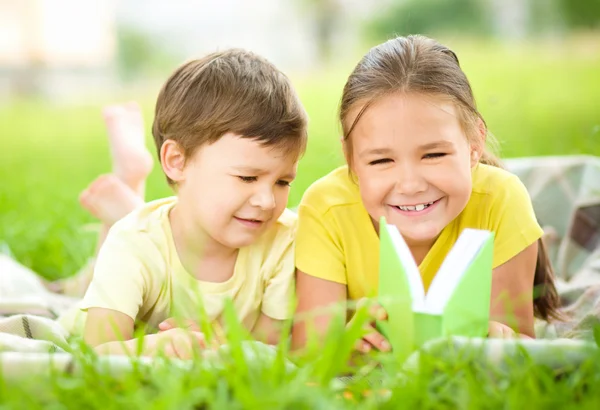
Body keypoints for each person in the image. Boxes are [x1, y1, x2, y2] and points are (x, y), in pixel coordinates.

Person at [291, 35, 561, 353]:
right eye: (381, 160)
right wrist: (345, 351)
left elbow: (519, 344)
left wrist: (494, 342)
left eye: (433, 155)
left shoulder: (500, 199)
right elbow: (308, 354)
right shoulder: (326, 209)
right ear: (351, 160)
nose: (410, 184)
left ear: (474, 145)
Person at [59, 49, 308, 359]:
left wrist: (218, 346)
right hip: (124, 261)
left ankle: (128, 190)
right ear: (177, 161)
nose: (267, 201)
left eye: (283, 182)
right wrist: (156, 345)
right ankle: (127, 191)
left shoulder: (283, 240)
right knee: (73, 289)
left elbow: (269, 348)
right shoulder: (133, 243)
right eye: (246, 178)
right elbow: (96, 351)